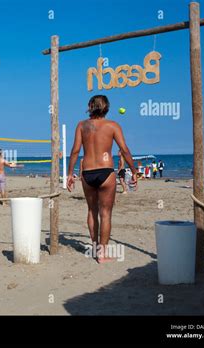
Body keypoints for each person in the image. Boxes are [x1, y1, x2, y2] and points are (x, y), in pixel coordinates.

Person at [67, 95, 137, 263]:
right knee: (105, 214)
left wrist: (70, 173)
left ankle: (95, 248)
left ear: (90, 106)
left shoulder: (82, 126)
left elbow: (75, 150)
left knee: (92, 211)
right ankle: (102, 254)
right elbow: (124, 149)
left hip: (88, 173)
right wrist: (134, 171)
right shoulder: (112, 125)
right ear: (107, 107)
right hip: (106, 172)